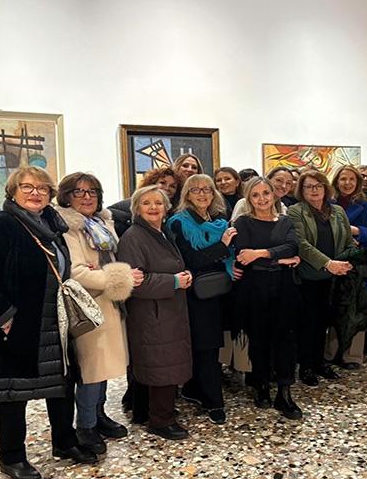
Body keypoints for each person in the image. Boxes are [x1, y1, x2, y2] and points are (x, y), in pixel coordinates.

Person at [0, 166, 97, 479]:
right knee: (13, 391)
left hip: (51, 320)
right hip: (14, 324)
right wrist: (2, 316)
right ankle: (12, 456)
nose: (35, 193)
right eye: (27, 187)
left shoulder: (51, 225)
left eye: (42, 188)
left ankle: (65, 442)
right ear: (13, 191)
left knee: (61, 384)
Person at [54, 172, 140, 454]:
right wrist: (120, 277)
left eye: (92, 191)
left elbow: (109, 260)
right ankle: (86, 425)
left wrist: (107, 274)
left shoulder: (102, 223)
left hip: (110, 302)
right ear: (66, 196)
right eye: (79, 192)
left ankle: (99, 415)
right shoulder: (68, 228)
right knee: (91, 368)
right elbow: (77, 273)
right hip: (89, 307)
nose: (87, 197)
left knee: (104, 366)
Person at [117, 185, 194, 440]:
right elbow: (135, 283)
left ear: (166, 208)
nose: (153, 207)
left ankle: (150, 412)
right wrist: (174, 281)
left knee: (163, 363)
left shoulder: (160, 233)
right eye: (147, 203)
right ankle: (161, 421)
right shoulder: (133, 237)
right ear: (136, 208)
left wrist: (183, 275)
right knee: (161, 365)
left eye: (158, 203)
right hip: (152, 313)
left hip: (166, 311)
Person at [167, 174, 236, 425]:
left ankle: (194, 389)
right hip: (197, 293)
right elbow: (190, 260)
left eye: (207, 189)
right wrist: (222, 247)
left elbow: (230, 255)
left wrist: (231, 260)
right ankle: (213, 401)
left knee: (209, 345)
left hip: (220, 291)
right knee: (206, 347)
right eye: (195, 189)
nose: (202, 194)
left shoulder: (219, 221)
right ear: (187, 194)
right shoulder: (178, 223)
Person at [233, 177, 302, 419]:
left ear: (274, 195)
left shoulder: (285, 221)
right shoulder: (243, 222)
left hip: (284, 286)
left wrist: (262, 253)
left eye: (266, 193)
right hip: (254, 287)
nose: (261, 199)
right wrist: (279, 258)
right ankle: (261, 385)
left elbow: (293, 247)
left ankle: (284, 391)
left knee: (285, 338)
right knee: (259, 338)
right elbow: (243, 256)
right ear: (248, 199)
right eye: (255, 195)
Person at [288, 170, 354, 385]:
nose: (314, 190)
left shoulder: (338, 211)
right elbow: (301, 244)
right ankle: (306, 366)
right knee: (308, 323)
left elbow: (348, 241)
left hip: (335, 277)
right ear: (301, 190)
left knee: (325, 322)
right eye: (308, 186)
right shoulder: (295, 211)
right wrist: (328, 263)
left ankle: (319, 362)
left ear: (326, 188)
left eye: (318, 186)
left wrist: (348, 260)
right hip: (308, 277)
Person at [326, 164, 367, 369]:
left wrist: (357, 231)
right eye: (343, 179)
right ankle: (330, 352)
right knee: (332, 310)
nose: (347, 183)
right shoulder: (326, 203)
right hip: (330, 264)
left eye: (352, 179)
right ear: (336, 181)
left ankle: (352, 355)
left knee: (355, 311)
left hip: (356, 268)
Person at [108, 167, 178, 238]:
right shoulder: (131, 204)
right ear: (151, 184)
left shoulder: (171, 213)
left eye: (172, 186)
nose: (167, 188)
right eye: (162, 183)